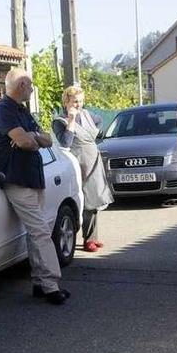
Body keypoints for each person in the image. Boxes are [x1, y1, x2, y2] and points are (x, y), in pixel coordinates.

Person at [0, 68, 70, 305]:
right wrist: (28, 139)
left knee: (37, 232)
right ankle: (52, 285)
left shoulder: (22, 111)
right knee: (41, 232)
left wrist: (30, 136)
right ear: (22, 84)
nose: (33, 88)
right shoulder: (3, 109)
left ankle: (39, 282)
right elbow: (24, 142)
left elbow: (46, 139)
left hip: (33, 177)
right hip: (17, 180)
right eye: (30, 84)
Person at [52, 86, 113, 252]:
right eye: (74, 101)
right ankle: (84, 239)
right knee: (83, 201)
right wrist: (71, 121)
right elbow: (65, 143)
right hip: (77, 164)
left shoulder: (86, 114)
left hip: (92, 161)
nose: (78, 105)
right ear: (66, 102)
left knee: (94, 199)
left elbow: (99, 121)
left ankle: (92, 237)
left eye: (80, 101)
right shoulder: (59, 121)